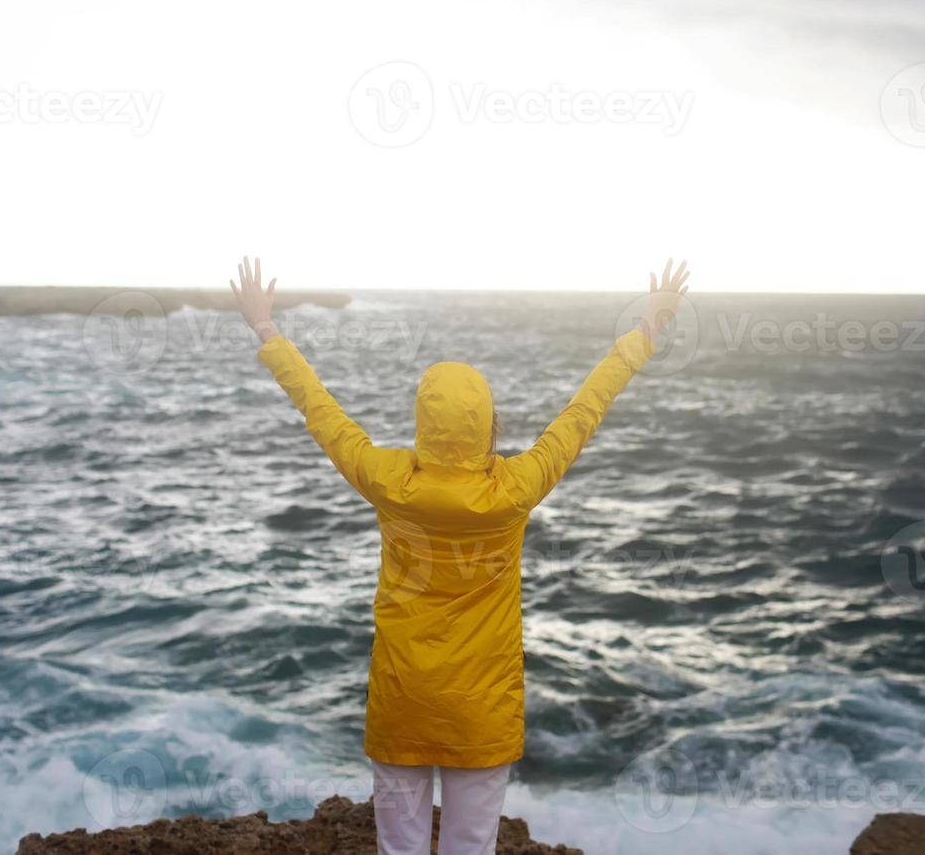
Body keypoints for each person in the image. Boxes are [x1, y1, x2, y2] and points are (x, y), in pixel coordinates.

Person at [228, 258, 690, 855]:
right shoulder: (516, 488)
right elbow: (585, 410)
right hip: (481, 710)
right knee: (471, 847)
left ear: (423, 422)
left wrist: (266, 329)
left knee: (399, 847)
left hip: (403, 699)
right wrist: (647, 329)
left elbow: (321, 411)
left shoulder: (386, 479)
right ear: (486, 423)